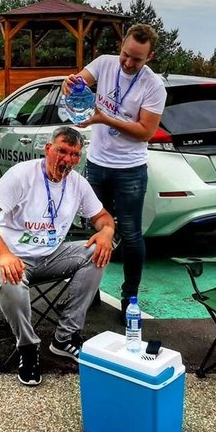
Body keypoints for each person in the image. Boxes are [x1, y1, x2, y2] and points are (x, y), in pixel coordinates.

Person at [0, 126, 115, 387]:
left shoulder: (77, 184)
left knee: (98, 250)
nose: (67, 160)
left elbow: (102, 217)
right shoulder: (22, 175)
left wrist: (106, 232)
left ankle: (65, 337)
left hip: (50, 255)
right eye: (62, 151)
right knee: (9, 280)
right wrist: (3, 255)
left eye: (74, 154)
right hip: (11, 254)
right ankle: (27, 348)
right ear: (48, 149)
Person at [62, 23, 167, 323]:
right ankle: (89, 289)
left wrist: (103, 118)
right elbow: (77, 84)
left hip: (130, 169)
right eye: (125, 54)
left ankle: (129, 298)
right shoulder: (105, 63)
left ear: (150, 57)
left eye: (137, 59)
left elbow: (145, 131)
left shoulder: (153, 86)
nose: (128, 63)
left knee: (131, 235)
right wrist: (69, 85)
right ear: (121, 45)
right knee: (94, 228)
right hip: (96, 164)